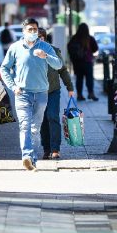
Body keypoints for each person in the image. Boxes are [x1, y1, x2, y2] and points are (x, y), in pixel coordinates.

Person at [0, 18, 62, 170]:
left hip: (41, 94)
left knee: (35, 128)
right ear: (23, 31)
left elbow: (59, 64)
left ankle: (32, 159)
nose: (33, 32)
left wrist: (46, 56)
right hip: (22, 93)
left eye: (35, 29)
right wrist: (13, 86)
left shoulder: (45, 47)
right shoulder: (15, 48)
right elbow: (4, 68)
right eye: (30, 29)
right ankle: (27, 156)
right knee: (25, 125)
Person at [38, 28, 74, 160]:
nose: (39, 39)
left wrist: (70, 87)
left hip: (53, 90)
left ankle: (55, 149)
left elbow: (63, 70)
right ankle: (46, 149)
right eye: (36, 37)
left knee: (52, 116)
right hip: (38, 92)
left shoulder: (53, 50)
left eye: (41, 37)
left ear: (45, 38)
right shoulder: (30, 53)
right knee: (42, 120)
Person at [67, 22, 99, 101]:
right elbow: (95, 48)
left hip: (77, 63)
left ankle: (79, 95)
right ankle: (91, 94)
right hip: (87, 62)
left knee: (79, 79)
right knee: (89, 79)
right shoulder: (89, 38)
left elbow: (69, 48)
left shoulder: (74, 38)